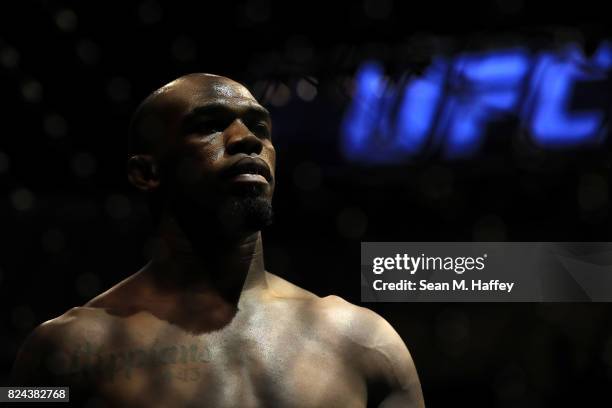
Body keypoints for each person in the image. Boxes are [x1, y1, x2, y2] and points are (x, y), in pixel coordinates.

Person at [11, 73, 425, 407]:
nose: (247, 139)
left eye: (260, 127)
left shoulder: (365, 340)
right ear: (146, 173)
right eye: (209, 125)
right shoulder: (64, 350)